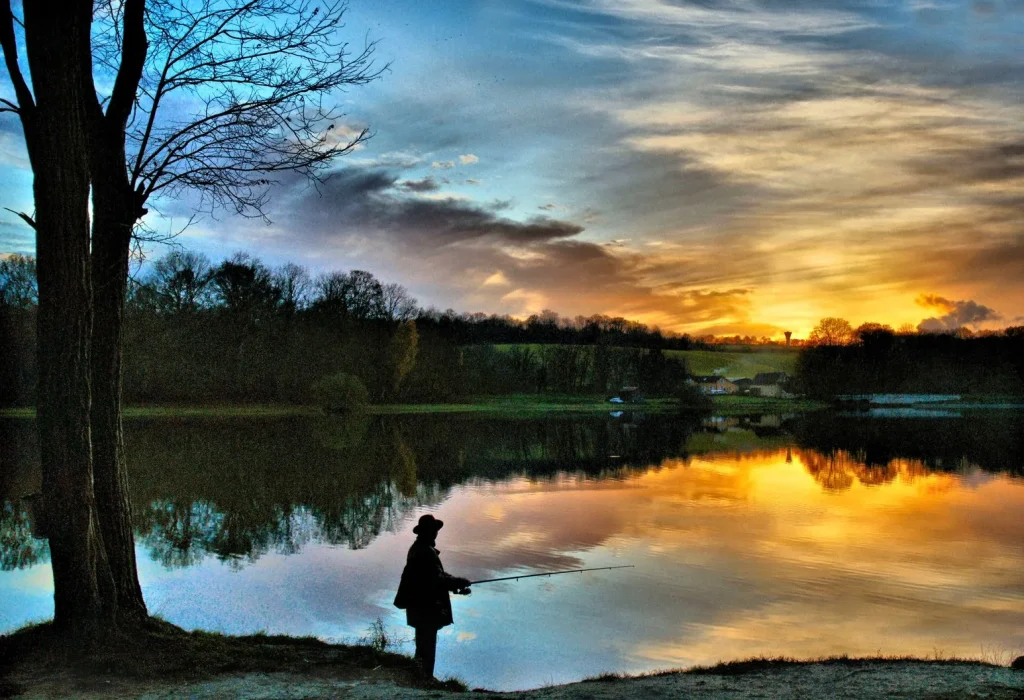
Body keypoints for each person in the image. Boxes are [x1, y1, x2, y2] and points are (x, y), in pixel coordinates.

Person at [393, 513, 471, 677]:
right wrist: (457, 582)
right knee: (427, 646)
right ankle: (425, 679)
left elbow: (437, 575)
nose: (436, 532)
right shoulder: (425, 552)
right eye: (434, 529)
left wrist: (456, 582)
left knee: (423, 645)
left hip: (419, 608)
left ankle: (420, 676)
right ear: (428, 531)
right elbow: (437, 580)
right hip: (426, 609)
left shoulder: (419, 548)